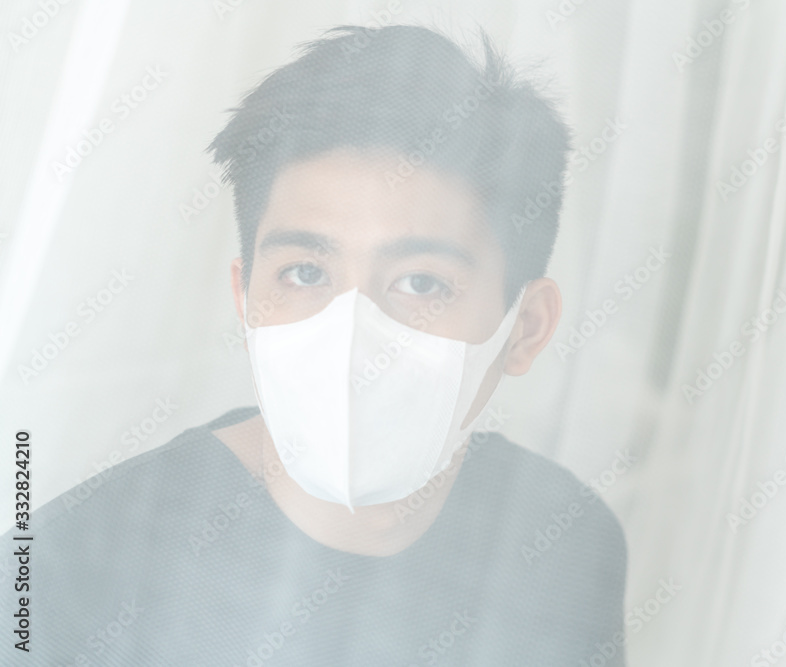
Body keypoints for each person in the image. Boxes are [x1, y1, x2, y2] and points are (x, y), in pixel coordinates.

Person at [4, 24, 627, 666]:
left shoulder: (566, 539)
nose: (351, 336)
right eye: (304, 273)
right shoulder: (54, 578)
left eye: (421, 282)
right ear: (245, 300)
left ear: (525, 328)